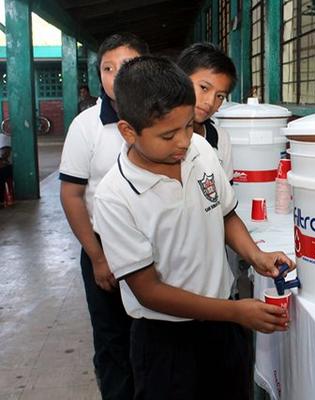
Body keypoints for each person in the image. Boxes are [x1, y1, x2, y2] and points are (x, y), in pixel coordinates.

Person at [93, 56, 294, 400]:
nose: (183, 141)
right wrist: (236, 313)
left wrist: (255, 255)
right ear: (128, 131)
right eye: (168, 134)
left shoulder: (199, 149)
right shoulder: (115, 197)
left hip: (224, 328)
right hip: (166, 343)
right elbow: (148, 291)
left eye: (188, 126)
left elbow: (226, 214)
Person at [59, 32, 149, 399]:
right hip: (105, 251)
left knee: (154, 338)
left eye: (125, 66)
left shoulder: (162, 116)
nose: (116, 76)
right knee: (114, 341)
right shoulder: (87, 126)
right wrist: (96, 257)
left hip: (156, 245)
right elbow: (72, 194)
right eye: (107, 69)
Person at [177, 42, 234, 182]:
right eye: (204, 87)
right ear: (180, 79)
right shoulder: (156, 135)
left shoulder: (221, 138)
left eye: (220, 96)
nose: (210, 102)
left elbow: (226, 195)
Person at [0, 133, 13, 207]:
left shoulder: (3, 138)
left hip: (7, 167)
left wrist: (2, 160)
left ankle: (1, 200)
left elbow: (5, 153)